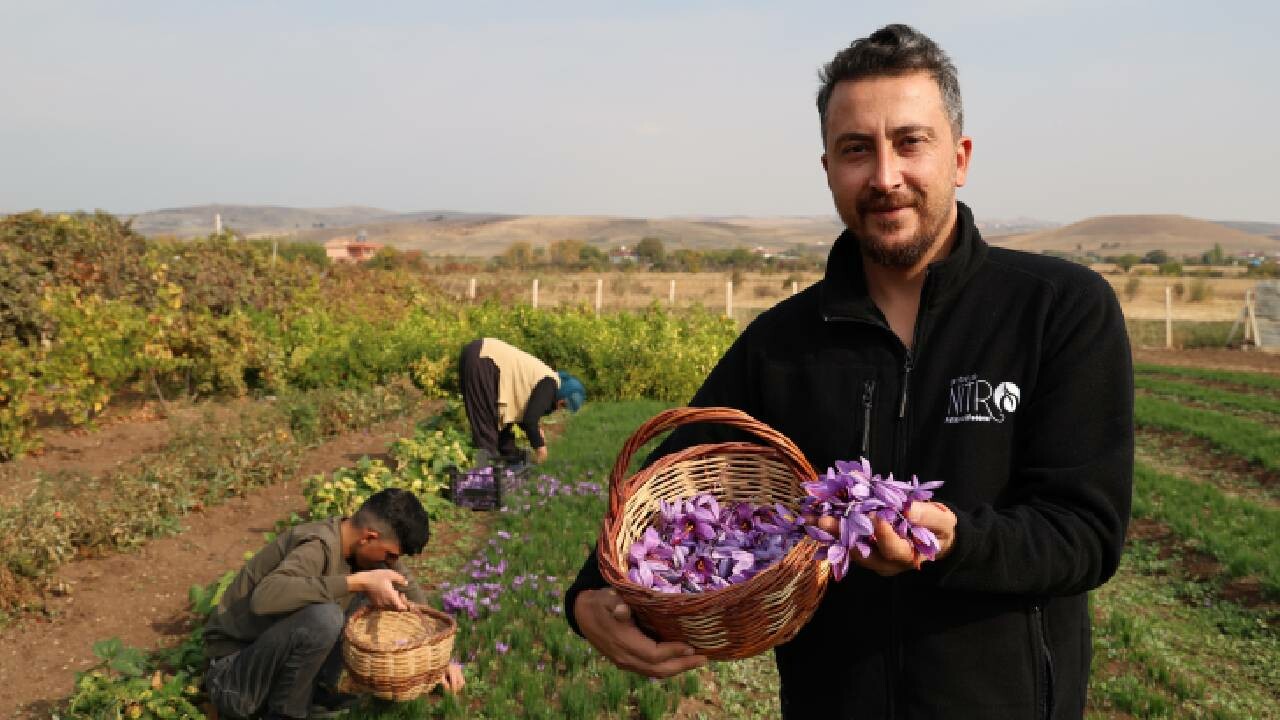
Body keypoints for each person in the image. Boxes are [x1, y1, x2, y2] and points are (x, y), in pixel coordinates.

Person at [565, 23, 1133, 719]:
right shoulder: (782, 344)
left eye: (910, 142)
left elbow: (1086, 533)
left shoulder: (1056, 310)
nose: (885, 177)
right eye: (857, 149)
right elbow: (660, 487)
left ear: (959, 156)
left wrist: (950, 541)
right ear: (829, 168)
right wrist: (588, 595)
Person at [204, 488, 465, 720]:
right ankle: (288, 712)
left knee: (378, 588)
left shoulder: (366, 551)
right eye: (390, 555)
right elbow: (264, 598)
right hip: (235, 679)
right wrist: (356, 582)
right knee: (326, 616)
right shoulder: (318, 546)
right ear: (369, 536)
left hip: (273, 664)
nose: (391, 562)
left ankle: (316, 692)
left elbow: (407, 586)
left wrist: (439, 659)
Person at [458, 337, 585, 464]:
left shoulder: (547, 380)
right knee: (485, 428)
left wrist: (535, 430)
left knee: (500, 430)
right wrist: (541, 449)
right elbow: (530, 420)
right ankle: (486, 476)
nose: (559, 409)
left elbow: (524, 415)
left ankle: (510, 463)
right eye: (562, 405)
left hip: (481, 357)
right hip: (484, 359)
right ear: (562, 394)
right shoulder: (550, 384)